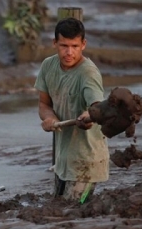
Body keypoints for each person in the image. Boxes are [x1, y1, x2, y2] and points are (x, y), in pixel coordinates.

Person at [34, 17, 109, 202]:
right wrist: (49, 119)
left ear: (83, 44)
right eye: (64, 46)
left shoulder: (88, 73)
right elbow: (44, 104)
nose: (69, 52)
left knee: (73, 210)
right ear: (54, 43)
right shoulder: (48, 66)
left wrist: (89, 116)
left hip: (86, 162)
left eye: (75, 46)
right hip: (62, 160)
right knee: (57, 208)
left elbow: (97, 108)